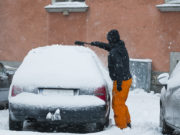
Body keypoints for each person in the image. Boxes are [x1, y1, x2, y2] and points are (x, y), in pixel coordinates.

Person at [75, 29, 132, 129]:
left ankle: (121, 127)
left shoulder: (115, 52)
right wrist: (93, 44)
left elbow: (119, 67)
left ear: (111, 39)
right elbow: (108, 47)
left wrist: (118, 83)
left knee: (117, 105)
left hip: (121, 81)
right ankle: (127, 122)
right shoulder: (119, 46)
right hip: (126, 79)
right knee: (121, 103)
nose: (108, 41)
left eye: (108, 39)